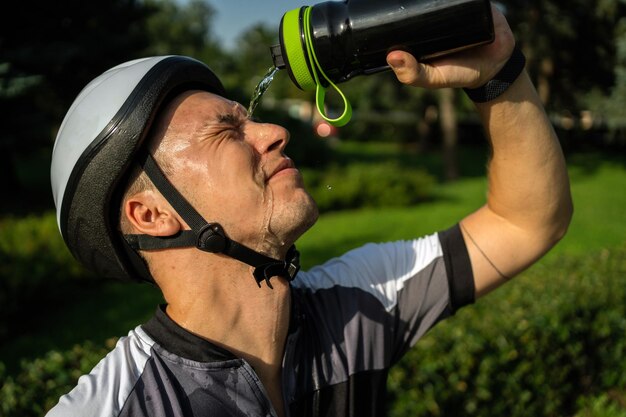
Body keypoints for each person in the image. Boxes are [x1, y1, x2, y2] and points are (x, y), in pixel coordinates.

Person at [46, 5, 572, 417]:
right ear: (152, 216)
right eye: (227, 131)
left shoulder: (353, 304)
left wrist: (498, 76)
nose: (274, 132)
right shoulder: (121, 407)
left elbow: (525, 222)